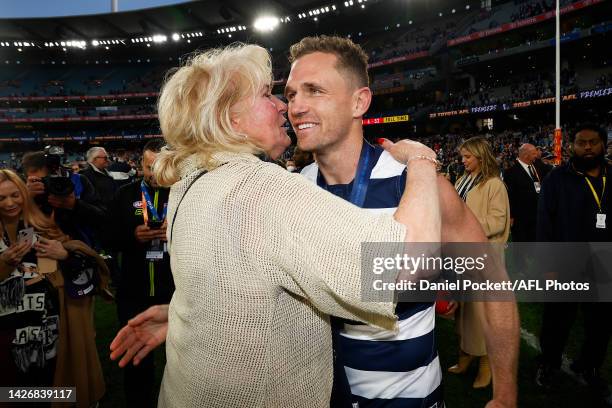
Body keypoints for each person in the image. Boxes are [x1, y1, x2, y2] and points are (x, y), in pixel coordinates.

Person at [110, 43, 442, 408]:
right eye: (270, 94)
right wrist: (422, 160)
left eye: (312, 91)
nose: (287, 106)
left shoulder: (190, 186)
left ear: (359, 102)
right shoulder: (267, 188)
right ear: (230, 118)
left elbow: (237, 277)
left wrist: (188, 314)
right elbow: (405, 269)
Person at [285, 36, 517, 407]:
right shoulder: (292, 191)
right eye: (292, 93)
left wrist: (505, 395)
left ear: (359, 101)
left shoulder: (414, 184)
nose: (296, 106)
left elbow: (491, 280)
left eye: (314, 90)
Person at [0, 169, 109, 407]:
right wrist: (3, 265)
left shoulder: (44, 228)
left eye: (15, 195)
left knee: (55, 394)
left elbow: (90, 278)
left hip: (49, 336)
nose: (10, 203)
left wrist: (66, 255)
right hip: (6, 342)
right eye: (1, 198)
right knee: (11, 395)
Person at [535, 123, 611, 404]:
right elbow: (544, 222)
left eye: (593, 142)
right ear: (572, 145)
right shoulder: (557, 178)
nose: (587, 147)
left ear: (603, 144)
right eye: (581, 142)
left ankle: (589, 366)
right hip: (566, 261)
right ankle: (548, 364)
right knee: (557, 320)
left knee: (600, 323)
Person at [110, 139, 174, 407]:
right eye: (150, 167)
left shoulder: (186, 193)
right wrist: (132, 235)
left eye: (161, 167)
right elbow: (108, 238)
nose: (155, 173)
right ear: (141, 165)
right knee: (137, 362)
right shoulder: (124, 194)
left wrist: (175, 234)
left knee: (182, 361)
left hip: (175, 295)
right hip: (133, 294)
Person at [450, 136, 511, 388]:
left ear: (480, 156)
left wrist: (464, 229)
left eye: (467, 157)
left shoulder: (494, 184)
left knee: (481, 313)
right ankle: (465, 356)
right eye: (462, 157)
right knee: (463, 311)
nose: (463, 161)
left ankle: (486, 364)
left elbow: (497, 221)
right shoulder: (462, 180)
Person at [22, 148, 106, 249]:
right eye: (36, 180)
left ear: (55, 170)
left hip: (78, 248)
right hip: (38, 249)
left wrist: (74, 204)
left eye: (46, 180)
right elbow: (19, 231)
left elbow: (101, 217)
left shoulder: (78, 181)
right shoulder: (24, 189)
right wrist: (26, 199)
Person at [504, 143, 541, 243]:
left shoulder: (537, 165)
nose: (536, 155)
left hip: (537, 215)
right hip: (521, 219)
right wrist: (511, 215)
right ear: (525, 155)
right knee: (522, 250)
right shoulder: (510, 173)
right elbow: (509, 196)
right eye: (533, 153)